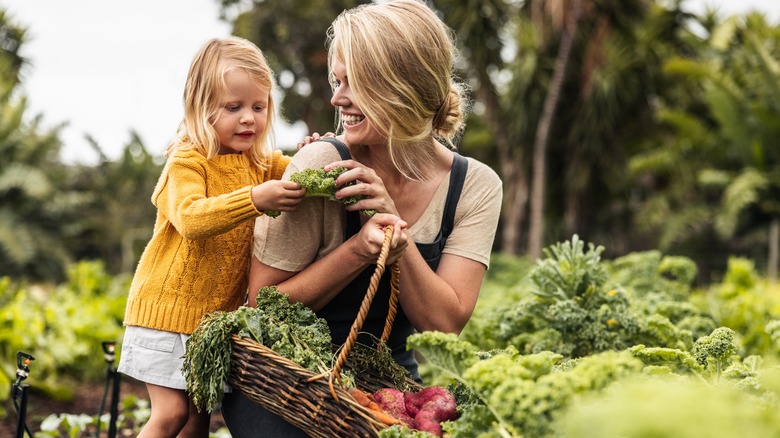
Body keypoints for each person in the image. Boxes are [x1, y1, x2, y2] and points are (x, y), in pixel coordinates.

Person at [222, 0, 503, 435]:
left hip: (385, 388)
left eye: (354, 83)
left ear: (402, 86)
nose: (337, 99)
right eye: (337, 81)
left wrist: (395, 234)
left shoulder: (474, 186)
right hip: (287, 385)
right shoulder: (322, 164)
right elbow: (262, 307)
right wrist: (357, 250)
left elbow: (444, 326)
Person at [117, 36, 305, 438]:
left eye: (258, 106)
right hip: (165, 317)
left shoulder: (261, 163)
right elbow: (191, 218)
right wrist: (255, 199)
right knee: (171, 414)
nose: (248, 119)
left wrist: (314, 151)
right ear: (201, 109)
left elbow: (302, 173)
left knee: (197, 422)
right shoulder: (187, 160)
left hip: (209, 328)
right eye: (233, 107)